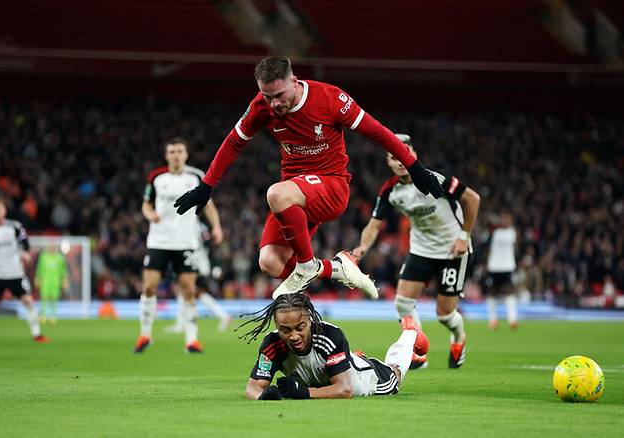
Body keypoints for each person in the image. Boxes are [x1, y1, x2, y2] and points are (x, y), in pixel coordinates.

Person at [173, 56, 444, 300]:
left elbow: (378, 132)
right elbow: (234, 142)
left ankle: (306, 266)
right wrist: (206, 186)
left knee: (276, 194)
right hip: (296, 193)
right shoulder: (261, 106)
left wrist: (415, 167)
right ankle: (334, 269)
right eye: (267, 97)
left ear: (294, 80)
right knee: (270, 262)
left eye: (279, 95)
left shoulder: (329, 99)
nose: (274, 103)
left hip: (331, 185)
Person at [352, 135, 480, 369]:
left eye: (404, 154)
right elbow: (374, 224)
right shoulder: (390, 190)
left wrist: (464, 236)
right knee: (402, 302)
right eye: (394, 157)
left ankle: (459, 337)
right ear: (388, 162)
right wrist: (362, 248)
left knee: (444, 314)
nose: (400, 160)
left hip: (453, 250)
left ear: (414, 155)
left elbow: (472, 199)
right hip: (421, 250)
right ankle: (417, 353)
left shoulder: (436, 179)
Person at [240, 293, 428, 400]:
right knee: (341, 363)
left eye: (300, 328)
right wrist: (263, 396)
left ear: (310, 320)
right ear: (276, 326)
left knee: (394, 373)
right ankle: (348, 358)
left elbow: (345, 390)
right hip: (334, 369)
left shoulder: (329, 335)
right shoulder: (272, 344)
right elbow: (253, 387)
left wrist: (304, 392)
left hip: (363, 378)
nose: (293, 336)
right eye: (285, 330)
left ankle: (411, 333)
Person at [134, 138, 223, 354]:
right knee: (148, 286)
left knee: (188, 290)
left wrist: (217, 227)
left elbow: (208, 205)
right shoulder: (156, 177)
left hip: (186, 242)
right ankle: (145, 335)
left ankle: (191, 340)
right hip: (159, 240)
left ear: (186, 154)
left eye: (179, 151)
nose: (175, 154)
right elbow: (146, 203)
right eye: (172, 151)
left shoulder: (196, 176)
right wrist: (149, 215)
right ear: (166, 155)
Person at [0, 197, 49, 344]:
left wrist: (25, 252)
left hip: (16, 273)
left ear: (4, 210)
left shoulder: (15, 227)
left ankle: (37, 334)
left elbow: (25, 243)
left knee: (28, 301)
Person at [164, 222, 232, 334]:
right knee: (193, 292)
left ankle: (181, 324)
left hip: (196, 261)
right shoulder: (201, 226)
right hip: (201, 260)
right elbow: (208, 244)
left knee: (188, 290)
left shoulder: (191, 225)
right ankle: (223, 316)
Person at [484, 210, 518, 330]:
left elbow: (517, 248)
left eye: (507, 218)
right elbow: (487, 248)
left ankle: (512, 320)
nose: (504, 220)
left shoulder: (513, 233)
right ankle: (493, 320)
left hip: (508, 267)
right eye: (502, 218)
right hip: (494, 267)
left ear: (511, 220)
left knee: (509, 292)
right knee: (493, 293)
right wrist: (486, 265)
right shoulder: (494, 232)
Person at [34, 244, 69, 324]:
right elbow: (39, 268)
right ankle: (43, 315)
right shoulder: (43, 257)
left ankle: (53, 315)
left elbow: (63, 270)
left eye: (53, 247)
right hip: (45, 280)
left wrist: (65, 279)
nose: (52, 248)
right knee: (44, 298)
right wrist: (37, 278)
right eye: (50, 247)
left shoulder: (59, 258)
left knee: (54, 298)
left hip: (55, 281)